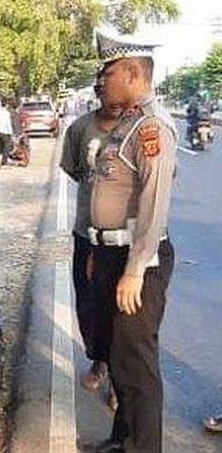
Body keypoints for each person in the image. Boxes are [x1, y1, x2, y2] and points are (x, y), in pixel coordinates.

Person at [87, 30, 177, 453]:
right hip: (111, 254)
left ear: (132, 72)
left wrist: (134, 269)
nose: (102, 81)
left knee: (136, 365)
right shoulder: (126, 125)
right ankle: (123, 441)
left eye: (107, 73)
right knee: (119, 358)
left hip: (137, 259)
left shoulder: (150, 130)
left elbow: (154, 205)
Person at [60, 70, 120, 404]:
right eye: (99, 87)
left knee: (122, 310)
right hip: (86, 233)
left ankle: (121, 379)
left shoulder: (136, 128)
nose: (104, 92)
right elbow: (72, 169)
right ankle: (99, 359)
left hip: (123, 238)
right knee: (89, 303)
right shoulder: (80, 128)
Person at [0, 100, 14, 168]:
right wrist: (11, 133)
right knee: (6, 147)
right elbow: (8, 124)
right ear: (6, 105)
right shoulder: (6, 113)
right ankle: (4, 161)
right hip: (5, 132)